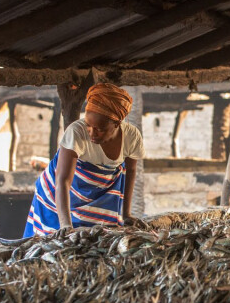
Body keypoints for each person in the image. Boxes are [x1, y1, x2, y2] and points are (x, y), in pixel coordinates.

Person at [24, 83, 145, 237]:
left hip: (101, 192)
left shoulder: (131, 137)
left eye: (100, 129)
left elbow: (130, 172)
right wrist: (65, 225)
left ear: (116, 123)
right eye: (88, 125)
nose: (91, 133)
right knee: (52, 237)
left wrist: (126, 214)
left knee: (97, 235)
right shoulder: (76, 132)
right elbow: (63, 180)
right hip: (58, 193)